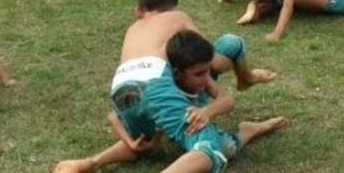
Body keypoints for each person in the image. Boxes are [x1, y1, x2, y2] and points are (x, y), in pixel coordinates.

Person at [54, 22, 283, 173]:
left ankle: (247, 131)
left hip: (192, 114)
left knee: (224, 146)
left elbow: (226, 99)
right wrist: (127, 140)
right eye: (198, 74)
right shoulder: (163, 86)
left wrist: (206, 111)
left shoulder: (201, 77)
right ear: (175, 73)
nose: (205, 79)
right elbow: (113, 116)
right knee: (143, 146)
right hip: (176, 117)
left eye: (207, 72)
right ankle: (91, 162)